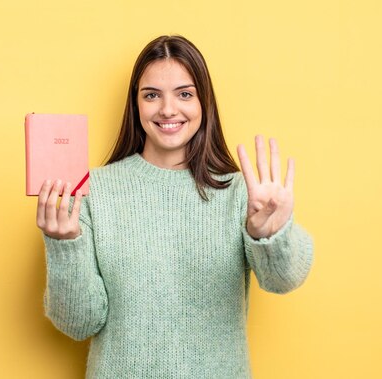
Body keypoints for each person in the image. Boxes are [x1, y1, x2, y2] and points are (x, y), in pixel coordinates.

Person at [36, 35, 314, 378]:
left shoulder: (242, 192)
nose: (168, 109)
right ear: (135, 104)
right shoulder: (93, 191)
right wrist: (65, 245)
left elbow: (283, 280)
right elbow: (80, 324)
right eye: (152, 95)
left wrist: (271, 235)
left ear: (204, 103)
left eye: (185, 94)